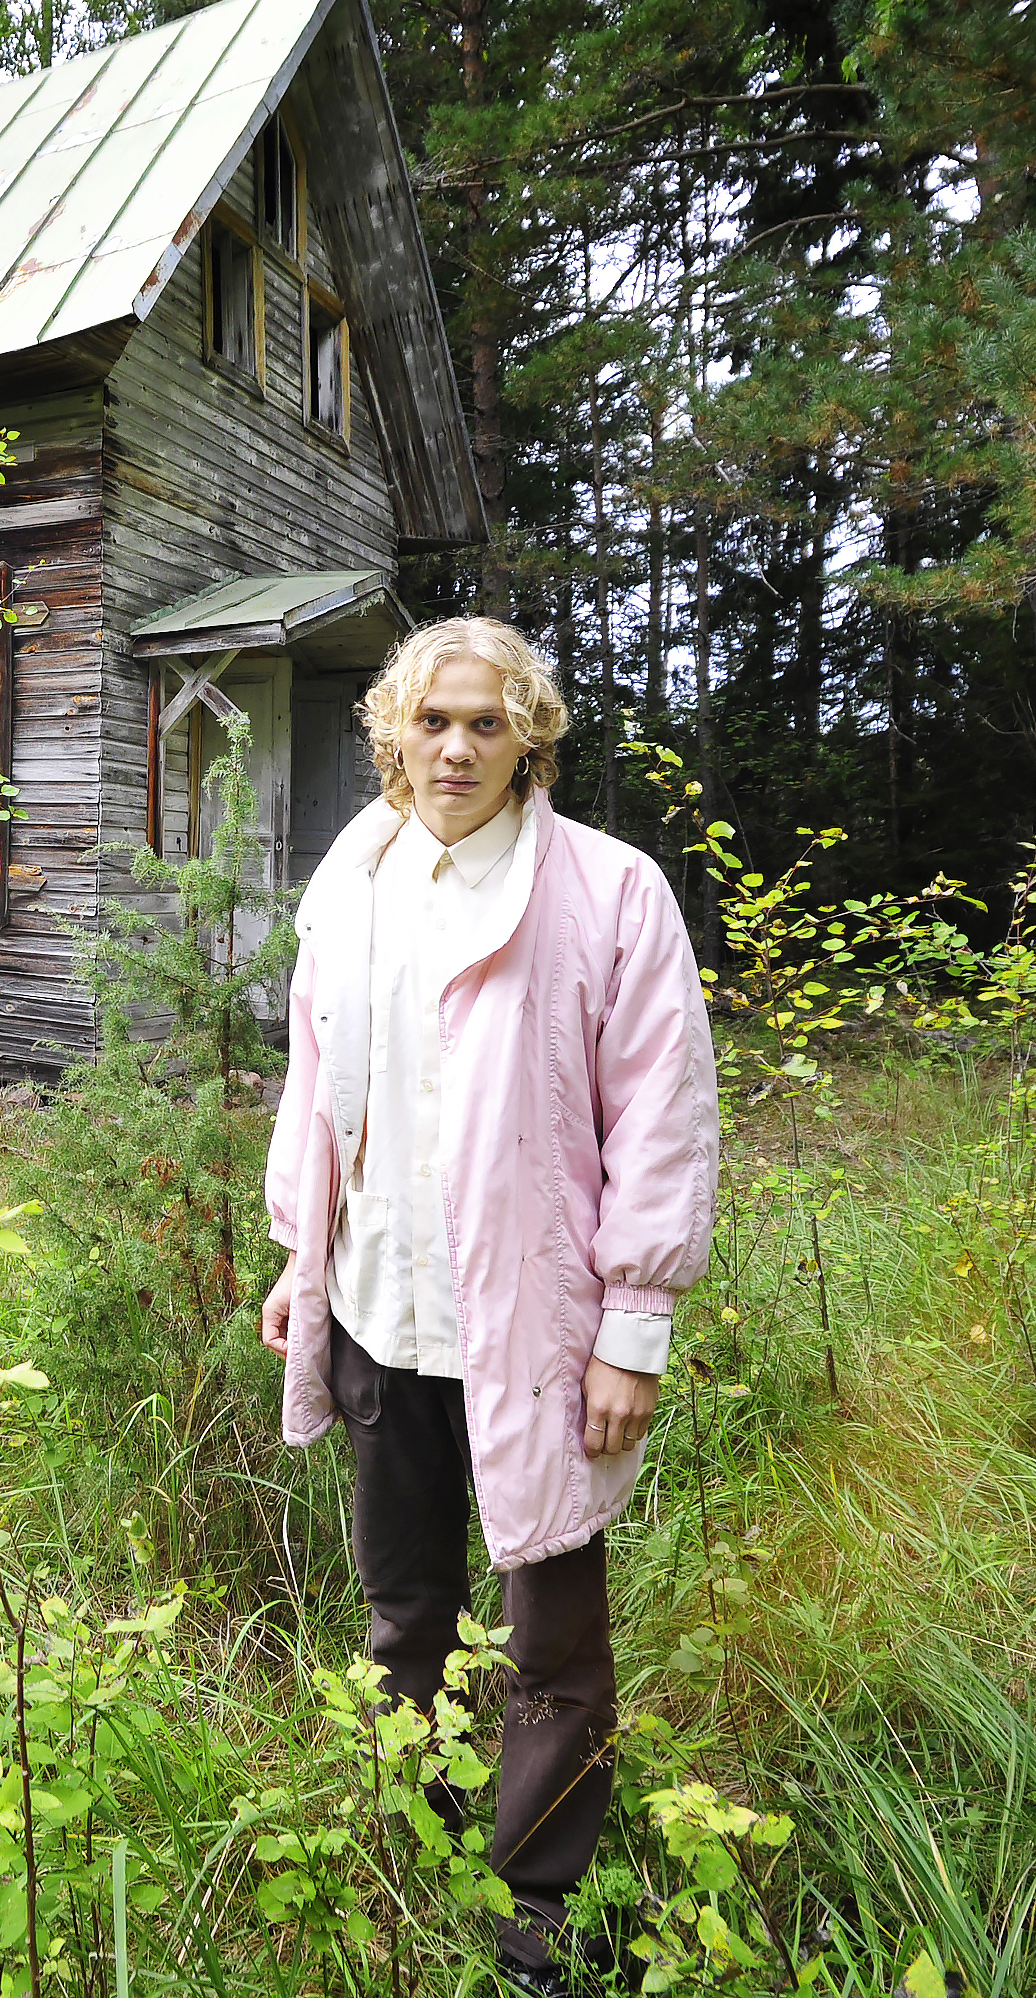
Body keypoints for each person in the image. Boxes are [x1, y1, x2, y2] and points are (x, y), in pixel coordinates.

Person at [259, 618, 718, 1991]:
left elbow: (664, 1117)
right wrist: (301, 1261)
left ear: (530, 738)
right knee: (403, 1606)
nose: (453, 748)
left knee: (554, 1638)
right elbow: (313, 1081)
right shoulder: (355, 873)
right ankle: (421, 1826)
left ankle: (541, 1915)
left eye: (486, 723)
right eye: (431, 720)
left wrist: (634, 1325)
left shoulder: (609, 892)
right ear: (391, 728)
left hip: (533, 1328)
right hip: (380, 1306)